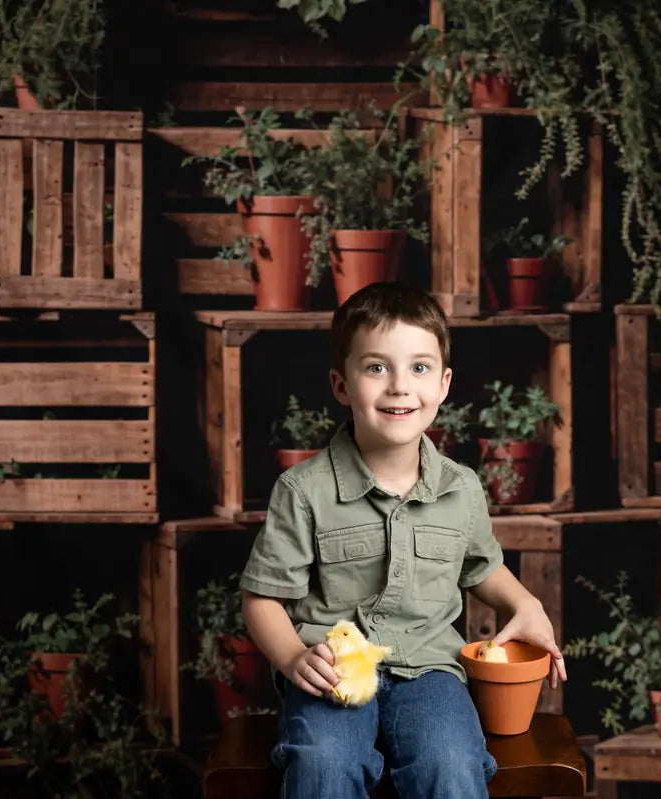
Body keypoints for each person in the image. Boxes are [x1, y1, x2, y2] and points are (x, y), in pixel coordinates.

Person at [240, 281, 567, 799]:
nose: (399, 386)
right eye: (376, 367)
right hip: (334, 672)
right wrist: (291, 657)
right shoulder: (303, 491)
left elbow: (480, 567)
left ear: (443, 383)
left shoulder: (460, 488)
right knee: (324, 763)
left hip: (432, 671)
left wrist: (525, 603)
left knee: (452, 761)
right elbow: (262, 597)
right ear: (341, 384)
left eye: (419, 367)